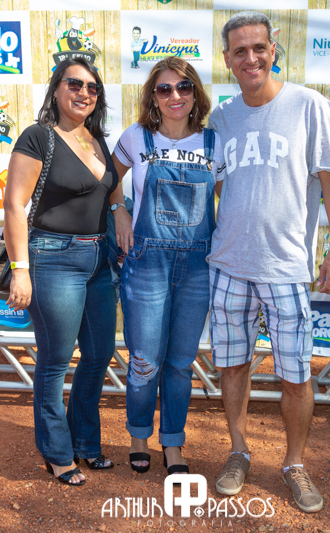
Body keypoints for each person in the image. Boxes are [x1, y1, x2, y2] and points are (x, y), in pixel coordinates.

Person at [207, 12, 330, 513]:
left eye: (258, 48)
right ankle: (239, 451)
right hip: (228, 265)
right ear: (227, 59)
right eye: (239, 51)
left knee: (295, 374)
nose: (250, 58)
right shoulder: (221, 117)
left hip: (287, 267)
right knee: (232, 366)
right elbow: (217, 186)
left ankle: (294, 464)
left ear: (273, 50)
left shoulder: (309, 105)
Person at [3, 57, 118, 487]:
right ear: (56, 89)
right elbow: (14, 205)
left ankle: (85, 442)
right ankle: (57, 453)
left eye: (92, 87)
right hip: (53, 259)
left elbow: (110, 192)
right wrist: (21, 269)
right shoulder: (38, 137)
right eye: (74, 83)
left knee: (98, 355)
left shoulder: (97, 139)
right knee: (55, 363)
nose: (84, 92)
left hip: (99, 260)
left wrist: (121, 212)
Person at [109, 56, 224, 475]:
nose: (175, 95)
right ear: (153, 98)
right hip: (147, 264)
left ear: (195, 94)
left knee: (179, 363)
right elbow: (109, 179)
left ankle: (172, 443)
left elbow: (228, 201)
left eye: (184, 87)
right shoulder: (136, 137)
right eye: (165, 89)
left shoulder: (214, 144)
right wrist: (120, 211)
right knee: (144, 361)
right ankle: (139, 435)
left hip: (197, 267)